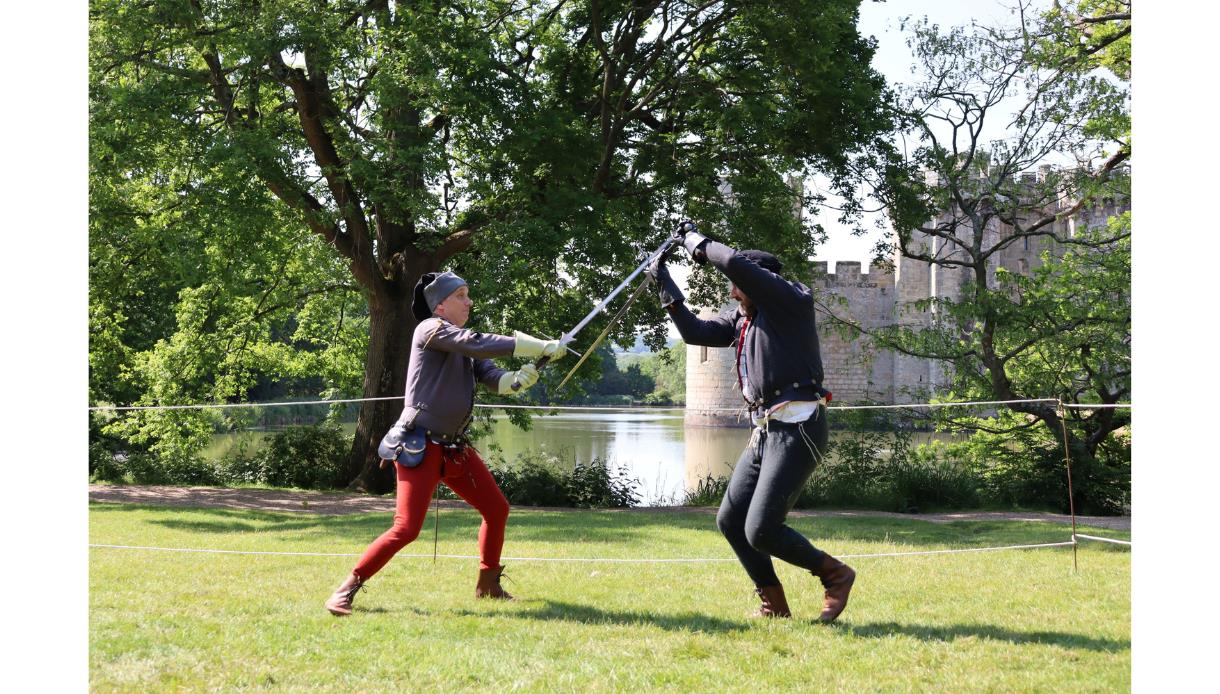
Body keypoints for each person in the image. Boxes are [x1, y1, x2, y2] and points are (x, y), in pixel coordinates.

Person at [645, 222, 855, 622]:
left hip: (799, 427)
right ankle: (773, 605)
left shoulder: (790, 303)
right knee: (730, 520)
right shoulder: (744, 319)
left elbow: (733, 264)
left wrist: (694, 241)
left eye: (738, 285)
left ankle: (835, 574)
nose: (732, 291)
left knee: (761, 529)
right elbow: (695, 333)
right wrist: (664, 281)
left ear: (759, 283)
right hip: (766, 431)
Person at [325, 270, 564, 616]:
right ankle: (346, 589)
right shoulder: (429, 329)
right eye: (461, 295)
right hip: (418, 447)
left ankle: (488, 584)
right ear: (440, 305)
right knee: (406, 529)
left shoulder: (464, 343)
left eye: (468, 294)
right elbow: (476, 342)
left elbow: (495, 378)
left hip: (454, 448)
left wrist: (519, 380)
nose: (469, 301)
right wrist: (537, 346)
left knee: (497, 510)